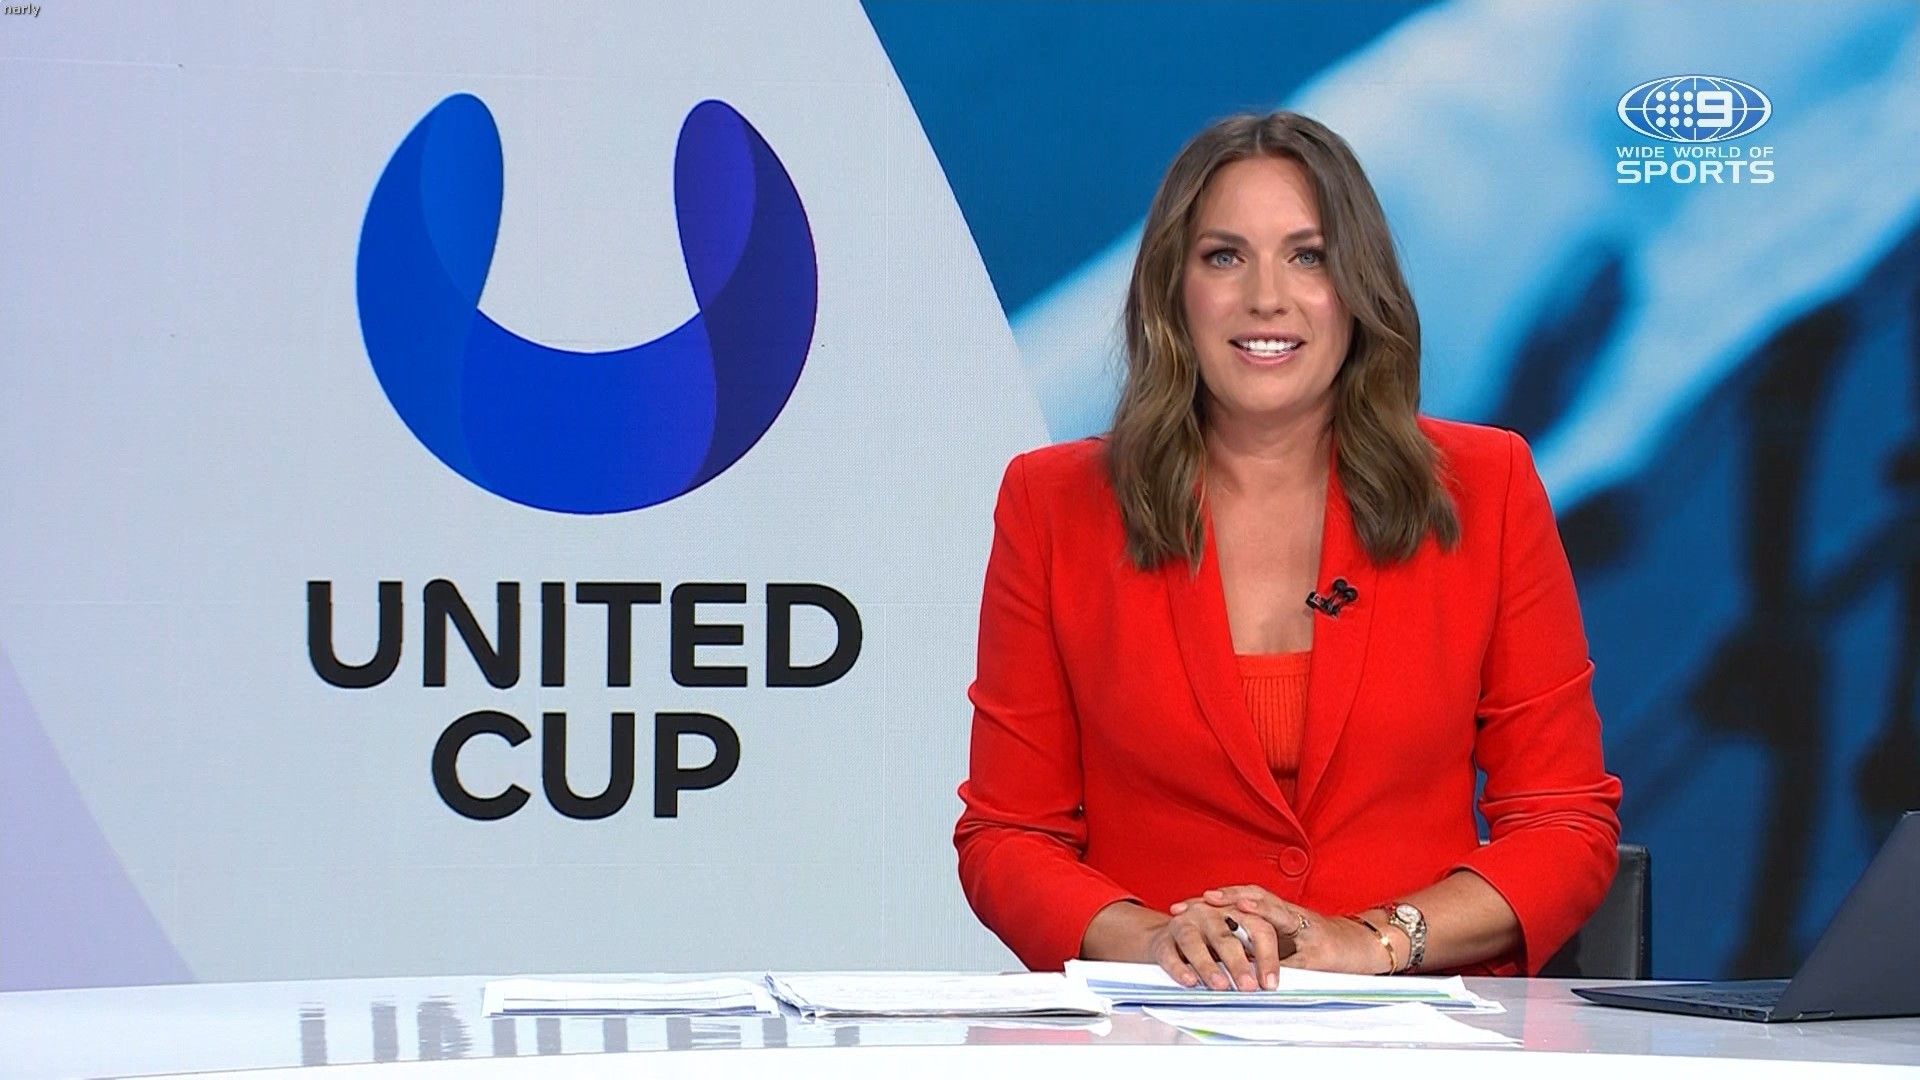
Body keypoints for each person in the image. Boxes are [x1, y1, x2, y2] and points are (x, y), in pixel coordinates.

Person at [953, 111, 1622, 989]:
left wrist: (1373, 940)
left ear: (1358, 288)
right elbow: (1008, 836)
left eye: (1308, 257)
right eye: (1224, 257)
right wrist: (1153, 942)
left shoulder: (1485, 488)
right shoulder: (1053, 504)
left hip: (1419, 1031)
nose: (1266, 297)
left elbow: (1563, 823)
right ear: (1172, 291)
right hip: (1153, 1029)